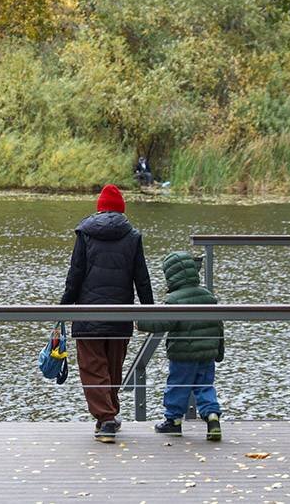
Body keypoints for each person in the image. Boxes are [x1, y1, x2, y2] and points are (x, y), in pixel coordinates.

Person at [59, 183, 153, 443]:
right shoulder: (132, 236)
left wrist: (63, 307)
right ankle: (109, 415)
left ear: (99, 210)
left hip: (88, 315)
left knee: (92, 368)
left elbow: (74, 275)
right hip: (120, 315)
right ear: (121, 210)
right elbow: (142, 278)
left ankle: (106, 419)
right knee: (112, 368)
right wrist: (148, 311)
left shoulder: (85, 234)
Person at [137, 251, 224, 441]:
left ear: (171, 275)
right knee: (205, 385)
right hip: (207, 353)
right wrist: (219, 351)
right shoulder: (208, 296)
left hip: (182, 355)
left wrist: (138, 322)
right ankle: (212, 417)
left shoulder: (174, 300)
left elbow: (162, 323)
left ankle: (173, 421)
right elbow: (219, 326)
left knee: (178, 385)